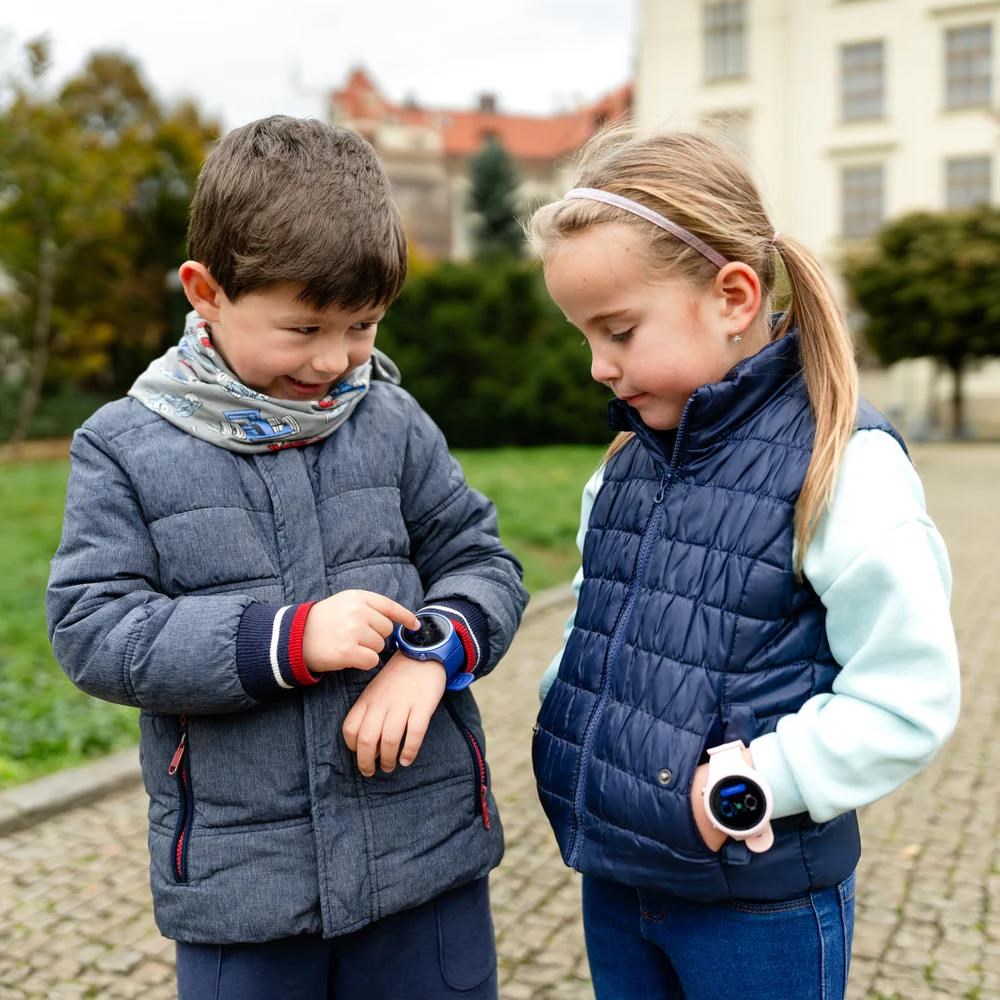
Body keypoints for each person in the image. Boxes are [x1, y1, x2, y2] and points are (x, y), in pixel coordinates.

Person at [46, 116, 527, 1000]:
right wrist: (284, 640)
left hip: (427, 863)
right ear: (206, 292)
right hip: (244, 895)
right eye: (304, 327)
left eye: (363, 325)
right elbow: (93, 627)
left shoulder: (392, 419)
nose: (336, 359)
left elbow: (483, 560)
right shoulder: (122, 446)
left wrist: (432, 655)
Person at [528, 127, 960, 1000]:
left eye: (619, 331)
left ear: (732, 297)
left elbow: (909, 695)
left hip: (756, 905)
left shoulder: (842, 466)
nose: (599, 367)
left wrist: (756, 781)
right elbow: (590, 624)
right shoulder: (624, 467)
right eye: (584, 338)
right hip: (616, 881)